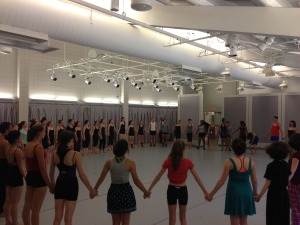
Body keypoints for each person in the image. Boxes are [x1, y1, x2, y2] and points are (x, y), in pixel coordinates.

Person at [147, 140, 209, 225]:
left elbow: (158, 177)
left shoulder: (168, 161)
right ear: (184, 149)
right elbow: (197, 178)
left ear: (173, 149)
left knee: (172, 220)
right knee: (183, 218)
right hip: (183, 191)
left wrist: (149, 189)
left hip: (172, 190)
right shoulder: (188, 162)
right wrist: (205, 191)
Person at [93, 139, 150, 225]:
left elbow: (101, 178)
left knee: (115, 223)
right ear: (126, 150)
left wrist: (95, 189)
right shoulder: (130, 163)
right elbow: (136, 180)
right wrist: (145, 191)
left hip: (114, 193)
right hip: (126, 193)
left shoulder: (108, 162)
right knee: (125, 223)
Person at [49, 131, 97, 225]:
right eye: (72, 141)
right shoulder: (76, 154)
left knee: (57, 218)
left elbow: (51, 172)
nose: (74, 142)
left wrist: (52, 184)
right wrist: (91, 190)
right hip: (71, 185)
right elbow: (82, 175)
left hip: (60, 184)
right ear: (69, 141)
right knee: (68, 219)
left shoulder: (54, 153)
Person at [207, 138, 258, 225]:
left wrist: (211, 194)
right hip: (247, 192)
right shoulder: (250, 161)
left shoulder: (229, 162)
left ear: (233, 148)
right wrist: (255, 193)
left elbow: (221, 181)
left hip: (234, 193)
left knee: (234, 219)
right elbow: (255, 181)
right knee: (244, 220)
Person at [22, 125, 54, 225]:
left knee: (27, 206)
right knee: (36, 209)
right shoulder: (38, 147)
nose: (45, 133)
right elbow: (42, 168)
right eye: (44, 131)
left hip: (30, 176)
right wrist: (49, 184)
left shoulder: (27, 145)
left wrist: (29, 177)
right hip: (39, 178)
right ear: (39, 133)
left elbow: (27, 164)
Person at [255, 142, 291, 225]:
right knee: (284, 215)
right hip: (284, 193)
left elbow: (267, 183)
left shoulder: (271, 166)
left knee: (273, 215)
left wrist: (259, 196)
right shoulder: (286, 165)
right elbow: (288, 180)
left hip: (274, 194)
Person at [4, 130, 26, 225]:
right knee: (15, 202)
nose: (22, 138)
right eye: (21, 137)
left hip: (9, 173)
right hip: (16, 175)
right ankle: (15, 222)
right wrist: (26, 178)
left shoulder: (8, 147)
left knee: (8, 200)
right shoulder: (17, 150)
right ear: (17, 139)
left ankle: (8, 221)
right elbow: (21, 167)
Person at [288, 133, 300, 225]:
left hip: (295, 185)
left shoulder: (296, 155)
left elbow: (293, 171)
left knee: (296, 209)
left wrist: (285, 181)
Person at [0, 122, 11, 217]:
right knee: (3, 187)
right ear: (6, 130)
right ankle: (2, 210)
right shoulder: (4, 142)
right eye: (10, 128)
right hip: (3, 165)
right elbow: (9, 157)